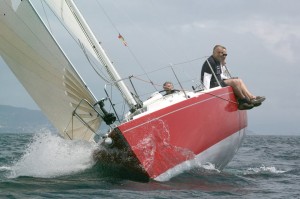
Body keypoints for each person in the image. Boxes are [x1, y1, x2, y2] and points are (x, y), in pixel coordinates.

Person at [201, 45, 265, 110]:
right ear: (213, 52)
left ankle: (251, 98)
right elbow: (206, 78)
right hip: (214, 85)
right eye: (218, 52)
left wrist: (229, 78)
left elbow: (219, 75)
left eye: (221, 53)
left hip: (219, 82)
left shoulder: (218, 61)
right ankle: (243, 100)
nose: (220, 54)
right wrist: (207, 92)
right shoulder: (210, 62)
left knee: (239, 80)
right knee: (235, 82)